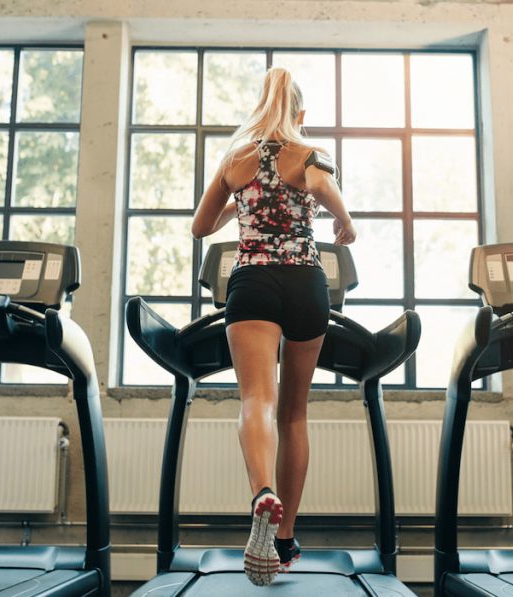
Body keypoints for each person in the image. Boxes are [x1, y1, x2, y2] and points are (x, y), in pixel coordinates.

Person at [191, 67, 356, 587]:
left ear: (259, 107)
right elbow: (321, 185)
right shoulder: (308, 152)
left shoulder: (235, 159)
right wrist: (345, 221)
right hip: (307, 283)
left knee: (256, 400)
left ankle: (263, 491)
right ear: (299, 113)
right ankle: (285, 541)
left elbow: (200, 226)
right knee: (295, 413)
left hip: (253, 282)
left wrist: (239, 205)